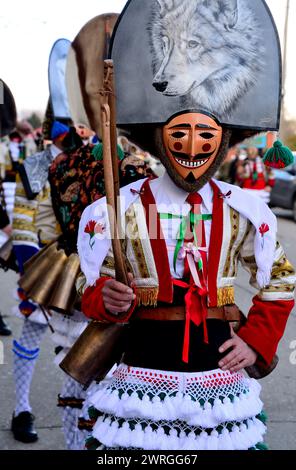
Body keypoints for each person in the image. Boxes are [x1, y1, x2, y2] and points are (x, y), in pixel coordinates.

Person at [76, 0, 295, 451]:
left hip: (218, 370)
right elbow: (88, 285)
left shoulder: (246, 209)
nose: (192, 146)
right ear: (160, 140)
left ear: (222, 143)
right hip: (141, 367)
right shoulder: (116, 208)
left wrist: (255, 341)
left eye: (205, 136)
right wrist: (107, 299)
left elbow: (281, 279)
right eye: (179, 135)